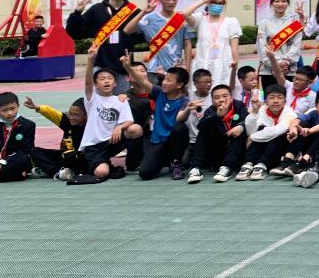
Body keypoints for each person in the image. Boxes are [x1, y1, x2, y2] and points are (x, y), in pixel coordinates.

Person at [78, 45, 144, 184]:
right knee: (102, 173)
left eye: (109, 78)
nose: (106, 81)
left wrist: (119, 127)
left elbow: (129, 121)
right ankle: (94, 163)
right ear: (96, 84)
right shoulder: (92, 99)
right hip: (94, 145)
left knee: (135, 129)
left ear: (115, 83)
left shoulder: (120, 100)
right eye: (102, 79)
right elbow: (88, 82)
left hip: (112, 141)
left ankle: (133, 164)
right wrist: (91, 60)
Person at [66, 0, 139, 94]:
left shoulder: (134, 12)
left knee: (122, 101)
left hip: (124, 67)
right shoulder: (97, 9)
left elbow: (141, 37)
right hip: (101, 65)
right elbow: (76, 32)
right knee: (99, 101)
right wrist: (77, 12)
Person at [133, 65, 193, 181]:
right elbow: (142, 81)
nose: (164, 82)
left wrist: (188, 109)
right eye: (165, 79)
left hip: (173, 140)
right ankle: (167, 160)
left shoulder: (184, 100)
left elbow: (179, 118)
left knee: (180, 128)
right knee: (145, 173)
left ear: (179, 85)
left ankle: (176, 163)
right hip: (157, 141)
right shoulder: (159, 92)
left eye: (169, 80)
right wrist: (127, 67)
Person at [184, 82, 247, 184]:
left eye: (225, 96)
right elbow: (200, 126)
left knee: (240, 131)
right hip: (218, 153)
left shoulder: (239, 106)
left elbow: (247, 120)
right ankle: (195, 168)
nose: (221, 100)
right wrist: (217, 116)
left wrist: (241, 126)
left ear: (231, 98)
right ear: (213, 102)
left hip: (237, 153)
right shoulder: (211, 111)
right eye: (217, 97)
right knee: (204, 129)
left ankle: (227, 168)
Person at [239, 84, 298, 182]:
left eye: (280, 98)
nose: (275, 101)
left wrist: (253, 137)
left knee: (278, 134)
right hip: (262, 148)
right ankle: (249, 163)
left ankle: (262, 165)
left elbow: (278, 130)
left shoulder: (290, 114)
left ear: (285, 101)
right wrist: (254, 111)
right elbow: (250, 130)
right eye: (271, 98)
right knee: (261, 129)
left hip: (279, 151)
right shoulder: (262, 110)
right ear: (266, 101)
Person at [23, 96, 87, 180]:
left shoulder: (91, 128)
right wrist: (37, 107)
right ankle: (58, 172)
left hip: (78, 159)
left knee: (72, 155)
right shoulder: (66, 121)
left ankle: (48, 169)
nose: (71, 117)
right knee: (34, 151)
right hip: (62, 157)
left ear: (86, 115)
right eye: (70, 113)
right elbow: (51, 112)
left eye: (76, 115)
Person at [189, 0, 242, 88]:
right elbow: (184, 14)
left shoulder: (231, 22)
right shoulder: (200, 19)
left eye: (220, 3)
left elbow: (235, 48)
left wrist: (235, 65)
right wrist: (203, 1)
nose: (217, 5)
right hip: (203, 65)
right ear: (208, 3)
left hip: (223, 65)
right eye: (213, 2)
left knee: (222, 91)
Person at [256, 0, 306, 89]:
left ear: (288, 3)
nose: (280, 4)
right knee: (271, 97)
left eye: (283, 1)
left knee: (288, 97)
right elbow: (261, 47)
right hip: (268, 71)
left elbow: (296, 46)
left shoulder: (294, 23)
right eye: (277, 1)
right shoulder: (264, 23)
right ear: (272, 4)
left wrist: (286, 62)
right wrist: (278, 63)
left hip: (289, 70)